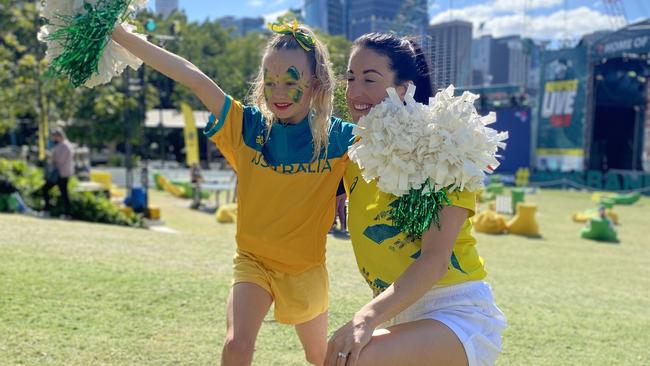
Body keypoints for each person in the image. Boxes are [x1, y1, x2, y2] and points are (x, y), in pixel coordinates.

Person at [112, 21, 355, 365]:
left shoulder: (340, 137)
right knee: (236, 346)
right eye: (270, 82)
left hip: (306, 269)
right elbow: (193, 77)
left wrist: (343, 189)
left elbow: (391, 149)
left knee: (320, 357)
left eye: (290, 81)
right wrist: (121, 35)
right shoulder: (247, 127)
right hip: (253, 261)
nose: (279, 92)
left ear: (316, 84)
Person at [326, 33, 506, 366]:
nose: (354, 91)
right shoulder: (352, 153)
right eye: (351, 78)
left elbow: (435, 261)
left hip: (454, 312)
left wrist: (364, 319)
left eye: (369, 79)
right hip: (395, 315)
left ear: (403, 88)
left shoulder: (445, 144)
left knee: (353, 358)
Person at [42, 128, 74, 218]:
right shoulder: (63, 145)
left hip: (61, 173)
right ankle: (65, 212)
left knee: (60, 193)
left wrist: (49, 155)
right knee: (63, 193)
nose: (53, 139)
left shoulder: (64, 146)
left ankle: (50, 210)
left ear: (59, 136)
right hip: (61, 173)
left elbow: (59, 160)